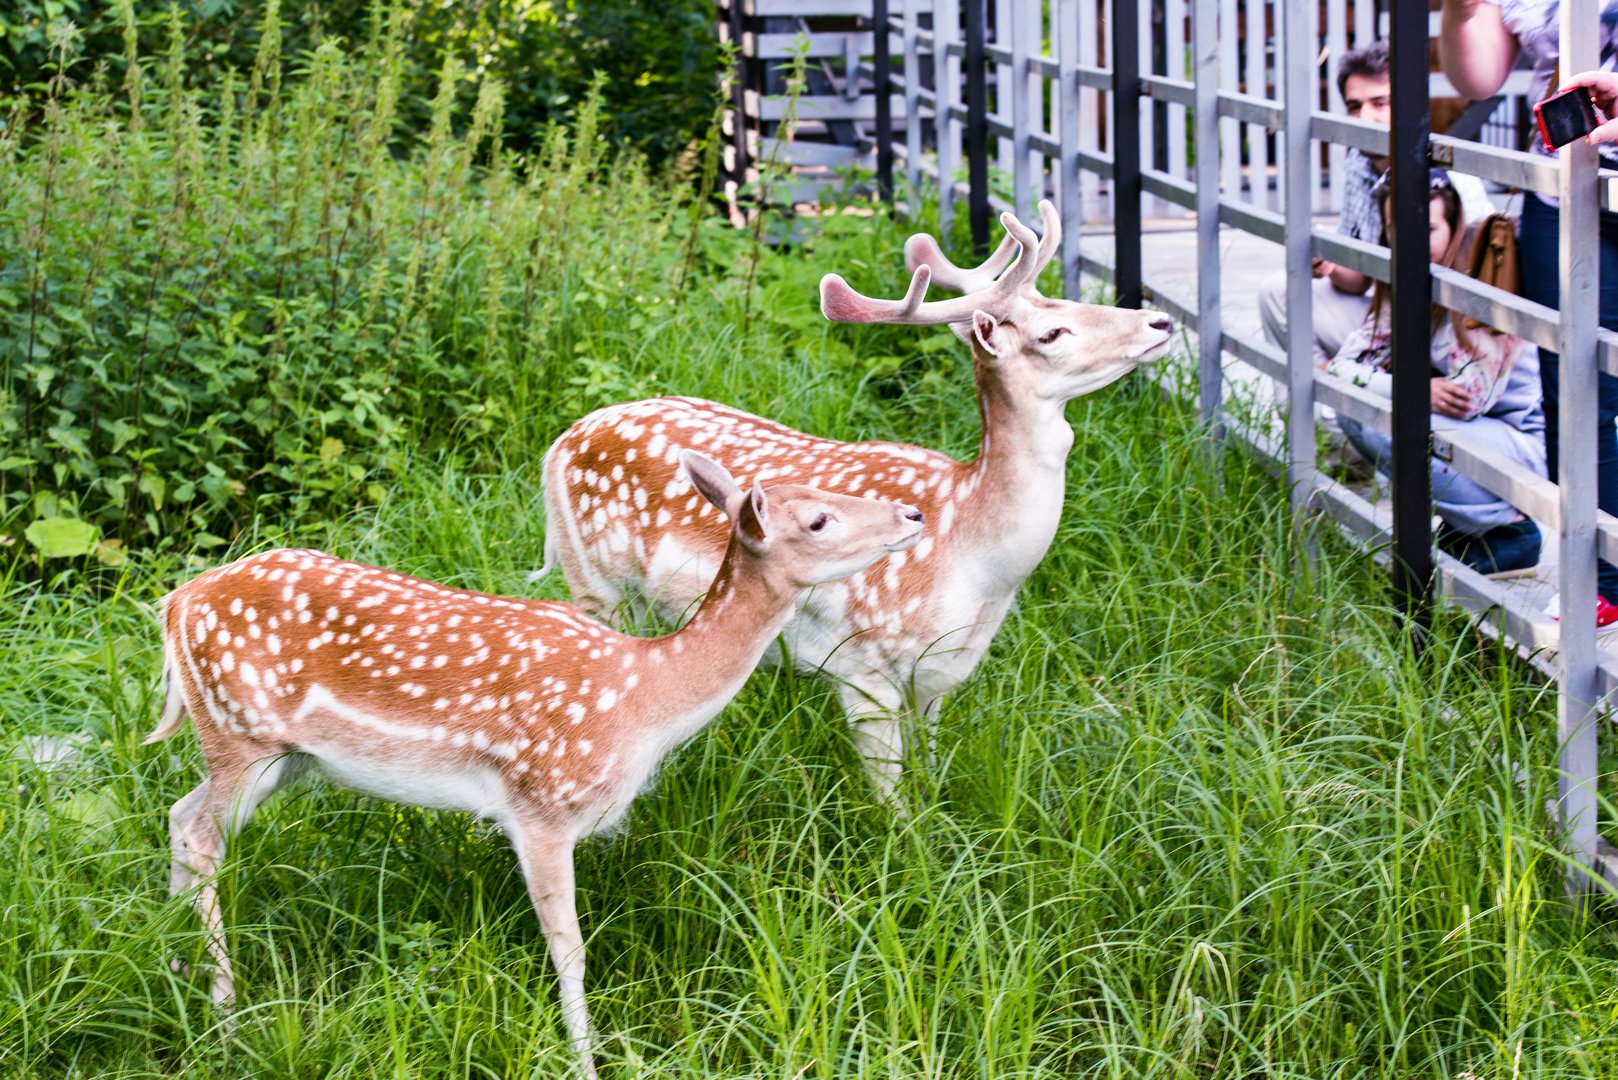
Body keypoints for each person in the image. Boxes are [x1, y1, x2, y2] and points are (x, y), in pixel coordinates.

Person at [1439, 0, 1618, 624]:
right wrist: (1463, 11)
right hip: (1565, 184)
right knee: (1578, 389)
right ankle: (1605, 581)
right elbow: (1480, 78)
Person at [1327, 168, 1546, 576]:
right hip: (1477, 436)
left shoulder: (1485, 284)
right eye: (1397, 228)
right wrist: (1416, 389)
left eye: (1426, 228)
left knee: (1388, 419)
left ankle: (1509, 532)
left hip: (1526, 446)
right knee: (1359, 408)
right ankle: (1470, 527)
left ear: (1456, 228)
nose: (1408, 240)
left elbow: (1468, 399)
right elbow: (1342, 368)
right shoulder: (1411, 284)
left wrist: (1404, 389)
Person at [1258, 39, 1494, 367]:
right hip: (1389, 314)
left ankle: (1359, 385)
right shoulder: (1359, 159)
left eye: (1380, 103)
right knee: (1279, 292)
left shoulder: (1448, 177)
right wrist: (1328, 261)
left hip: (1448, 328)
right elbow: (1360, 279)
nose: (1364, 118)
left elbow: (1475, 291)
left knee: (1366, 369)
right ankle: (1318, 407)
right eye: (1354, 106)